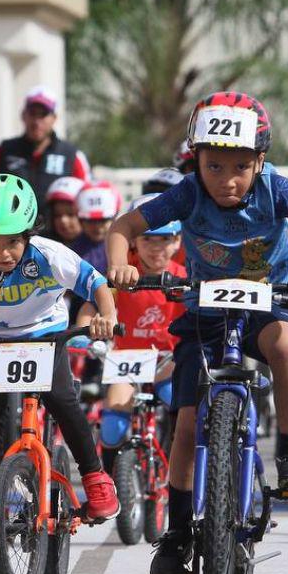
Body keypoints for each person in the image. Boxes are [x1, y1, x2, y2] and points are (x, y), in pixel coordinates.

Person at [106, 91, 288, 574]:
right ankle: (176, 532)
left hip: (269, 302)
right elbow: (125, 224)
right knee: (189, 423)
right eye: (213, 165)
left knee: (286, 345)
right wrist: (118, 262)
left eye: (241, 166)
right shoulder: (188, 192)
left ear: (261, 161)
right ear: (195, 159)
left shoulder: (277, 189)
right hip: (206, 312)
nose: (227, 179)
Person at [0, 174, 119, 537]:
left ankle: (96, 478)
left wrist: (107, 315)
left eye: (13, 242)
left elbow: (95, 282)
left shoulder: (49, 255)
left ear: (29, 235)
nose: (3, 253)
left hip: (45, 334)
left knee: (64, 401)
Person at [98, 194, 185, 462]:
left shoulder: (184, 277)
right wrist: (91, 327)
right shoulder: (122, 274)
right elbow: (94, 306)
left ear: (178, 241)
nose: (156, 247)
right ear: (134, 240)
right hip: (128, 361)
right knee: (112, 429)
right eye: (148, 238)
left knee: (178, 402)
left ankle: (180, 466)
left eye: (165, 239)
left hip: (169, 361)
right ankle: (111, 490)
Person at [0, 86, 90, 207]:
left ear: (54, 118)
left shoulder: (72, 155)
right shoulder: (3, 151)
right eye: (32, 113)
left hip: (54, 225)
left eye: (43, 114)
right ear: (23, 115)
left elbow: (85, 198)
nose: (36, 121)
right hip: (13, 225)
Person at [72, 182, 121, 275]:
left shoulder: (124, 246)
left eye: (103, 220)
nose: (97, 227)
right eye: (90, 221)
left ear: (114, 218)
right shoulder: (74, 250)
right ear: (80, 220)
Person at [44, 176, 85, 244]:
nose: (63, 220)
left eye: (70, 214)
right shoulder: (45, 245)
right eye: (57, 215)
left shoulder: (103, 249)